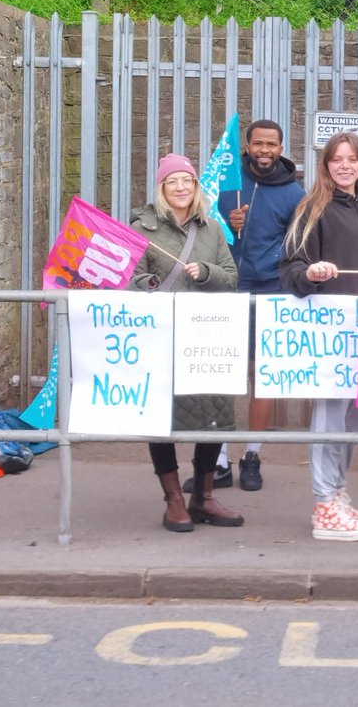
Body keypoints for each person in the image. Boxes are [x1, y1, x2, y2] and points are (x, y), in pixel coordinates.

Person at [280, 132, 358, 542]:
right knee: (330, 416)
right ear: (326, 165)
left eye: (352, 159)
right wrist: (310, 274)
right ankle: (323, 502)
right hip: (330, 333)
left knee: (356, 419)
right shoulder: (313, 209)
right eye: (337, 159)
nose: (345, 165)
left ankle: (338, 489)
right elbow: (291, 266)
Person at [130, 154, 244, 532]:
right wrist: (149, 285)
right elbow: (127, 277)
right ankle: (174, 499)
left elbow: (231, 276)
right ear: (161, 188)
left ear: (196, 187)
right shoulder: (142, 228)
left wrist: (208, 272)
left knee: (212, 414)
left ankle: (204, 497)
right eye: (173, 181)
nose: (181, 187)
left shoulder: (211, 229)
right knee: (161, 420)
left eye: (188, 181)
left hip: (206, 337)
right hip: (159, 334)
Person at [217, 119, 304, 492]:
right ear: (247, 146)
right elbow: (203, 226)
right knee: (219, 369)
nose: (265, 150)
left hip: (271, 287)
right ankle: (216, 458)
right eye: (258, 144)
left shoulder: (295, 193)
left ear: (281, 148)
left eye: (272, 144)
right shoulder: (226, 183)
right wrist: (226, 219)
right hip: (227, 283)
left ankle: (252, 454)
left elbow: (299, 242)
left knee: (262, 372)